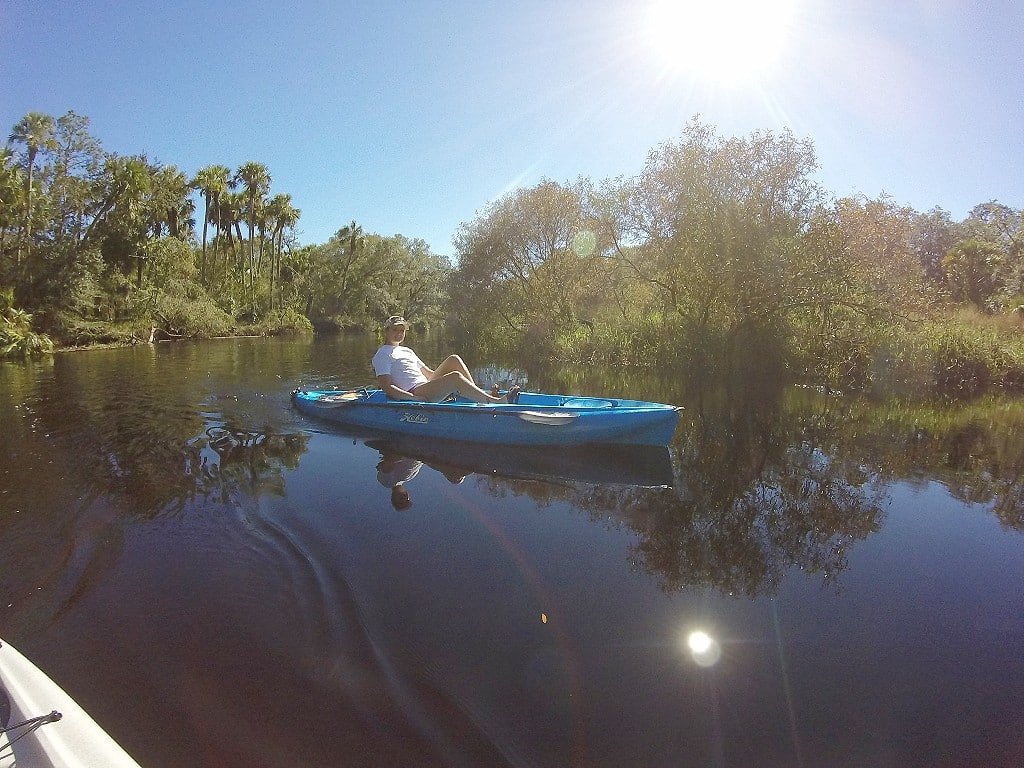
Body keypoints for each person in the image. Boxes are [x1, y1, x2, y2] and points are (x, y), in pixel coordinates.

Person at [371, 315, 519, 403]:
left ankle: (478, 394)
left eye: (402, 330)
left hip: (426, 385)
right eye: (395, 330)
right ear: (386, 331)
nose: (399, 333)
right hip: (416, 391)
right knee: (455, 378)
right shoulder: (382, 354)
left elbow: (429, 373)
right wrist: (413, 398)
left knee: (453, 359)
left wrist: (443, 384)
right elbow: (388, 388)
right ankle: (493, 401)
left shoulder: (407, 351)